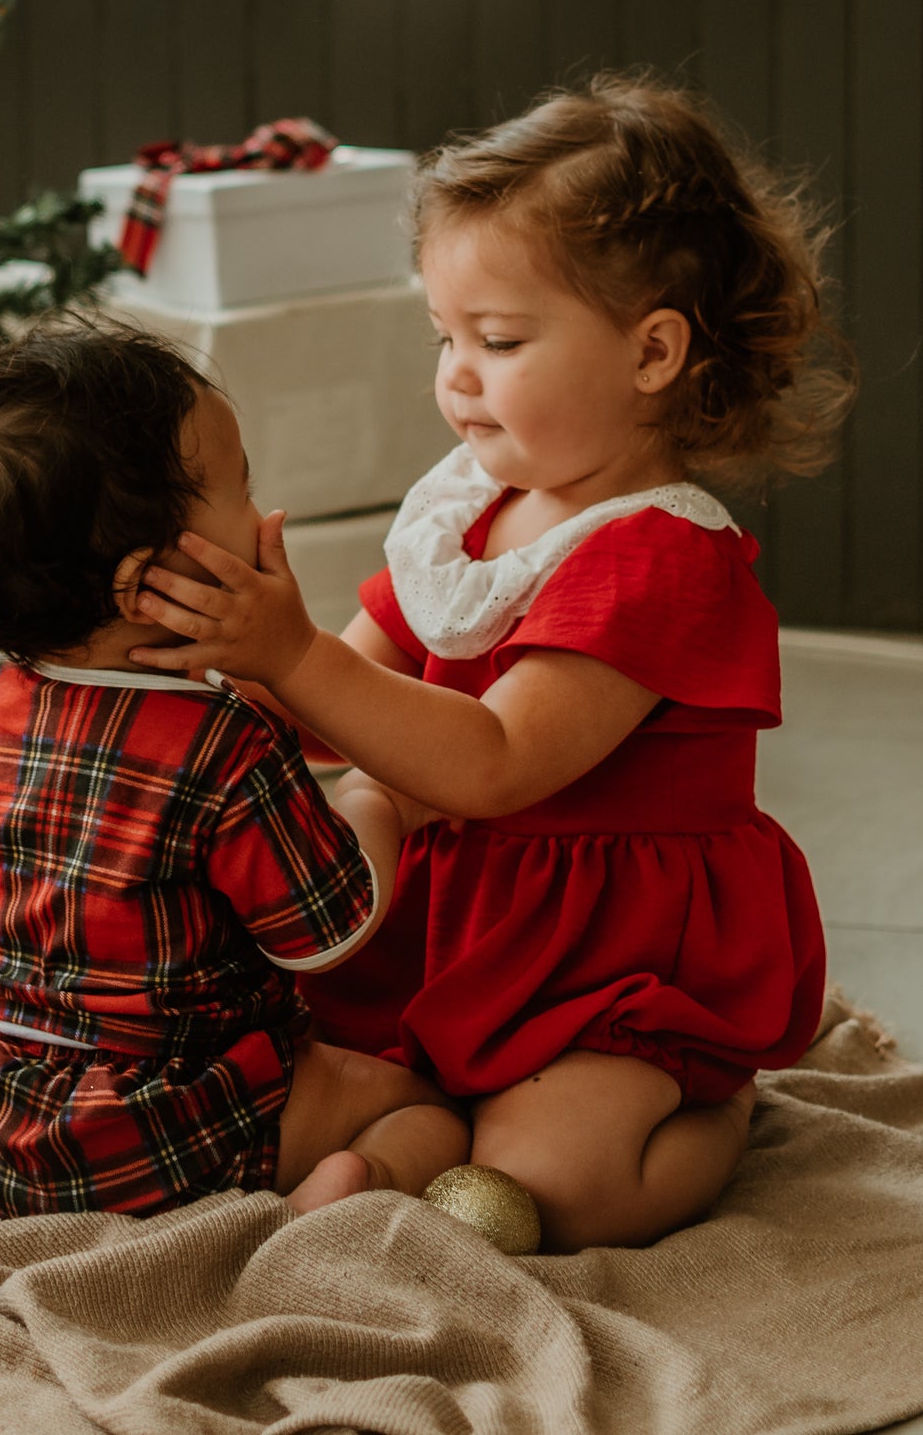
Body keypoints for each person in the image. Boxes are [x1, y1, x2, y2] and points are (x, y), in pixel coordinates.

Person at [127, 75, 854, 1254]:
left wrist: (294, 651)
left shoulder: (661, 555)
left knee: (558, 1187)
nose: (455, 374)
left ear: (651, 350)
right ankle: (444, 1092)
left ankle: (712, 1097)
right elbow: (346, 700)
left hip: (605, 957)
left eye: (498, 340)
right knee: (253, 1060)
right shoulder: (476, 507)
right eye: (443, 337)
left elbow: (494, 759)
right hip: (454, 925)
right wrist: (218, 657)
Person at [0, 318, 468, 1217]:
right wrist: (377, 800)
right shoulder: (224, 744)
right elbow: (326, 932)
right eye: (240, 491)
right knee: (424, 1109)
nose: (260, 516)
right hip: (161, 1134)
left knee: (10, 1023)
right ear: (148, 587)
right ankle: (338, 1191)